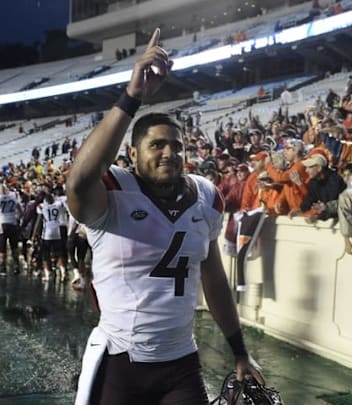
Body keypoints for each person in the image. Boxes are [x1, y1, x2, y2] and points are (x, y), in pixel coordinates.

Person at [66, 29, 263, 405]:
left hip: (180, 363)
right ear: (134, 154)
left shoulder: (205, 195)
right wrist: (132, 97)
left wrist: (238, 349)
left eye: (177, 146)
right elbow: (78, 181)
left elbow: (213, 276)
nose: (169, 152)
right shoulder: (113, 192)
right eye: (156, 144)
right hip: (120, 362)